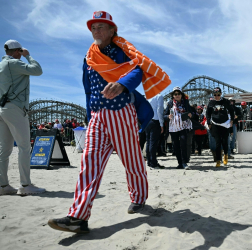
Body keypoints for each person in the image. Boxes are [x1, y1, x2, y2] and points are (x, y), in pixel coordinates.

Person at [48, 11, 171, 234]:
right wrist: (88, 114)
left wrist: (122, 85)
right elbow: (88, 90)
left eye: (101, 27)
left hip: (120, 112)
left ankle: (139, 198)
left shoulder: (123, 51)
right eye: (93, 27)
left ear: (113, 30)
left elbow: (137, 71)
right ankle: (78, 216)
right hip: (97, 116)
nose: (96, 31)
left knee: (131, 160)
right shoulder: (88, 57)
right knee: (89, 164)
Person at [0, 39, 45, 195]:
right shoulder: (14, 63)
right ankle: (25, 185)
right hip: (15, 108)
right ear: (17, 51)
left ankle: (3, 186)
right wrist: (29, 56)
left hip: (3, 108)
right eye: (20, 51)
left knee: (4, 149)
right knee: (24, 147)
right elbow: (37, 70)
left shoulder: (1, 65)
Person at [164, 87, 192, 170]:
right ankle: (179, 163)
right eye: (175, 94)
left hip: (184, 126)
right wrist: (167, 116)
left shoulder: (186, 103)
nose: (177, 95)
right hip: (173, 127)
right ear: (173, 95)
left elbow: (191, 112)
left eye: (178, 94)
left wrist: (190, 114)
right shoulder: (169, 104)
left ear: (181, 95)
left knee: (183, 144)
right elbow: (164, 115)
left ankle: (184, 162)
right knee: (176, 146)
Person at [206, 87, 235, 167]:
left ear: (221, 94)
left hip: (225, 124)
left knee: (225, 142)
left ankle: (225, 155)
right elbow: (208, 114)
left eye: (218, 94)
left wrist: (232, 120)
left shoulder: (225, 101)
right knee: (218, 143)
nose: (216, 96)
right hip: (215, 124)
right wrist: (209, 123)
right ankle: (218, 160)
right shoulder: (211, 102)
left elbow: (232, 110)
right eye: (215, 95)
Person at [145, 94, 165, 169]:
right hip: (155, 121)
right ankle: (153, 163)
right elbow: (159, 110)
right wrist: (161, 124)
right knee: (153, 143)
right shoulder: (159, 96)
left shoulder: (148, 96)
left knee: (148, 142)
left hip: (148, 121)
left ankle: (149, 162)